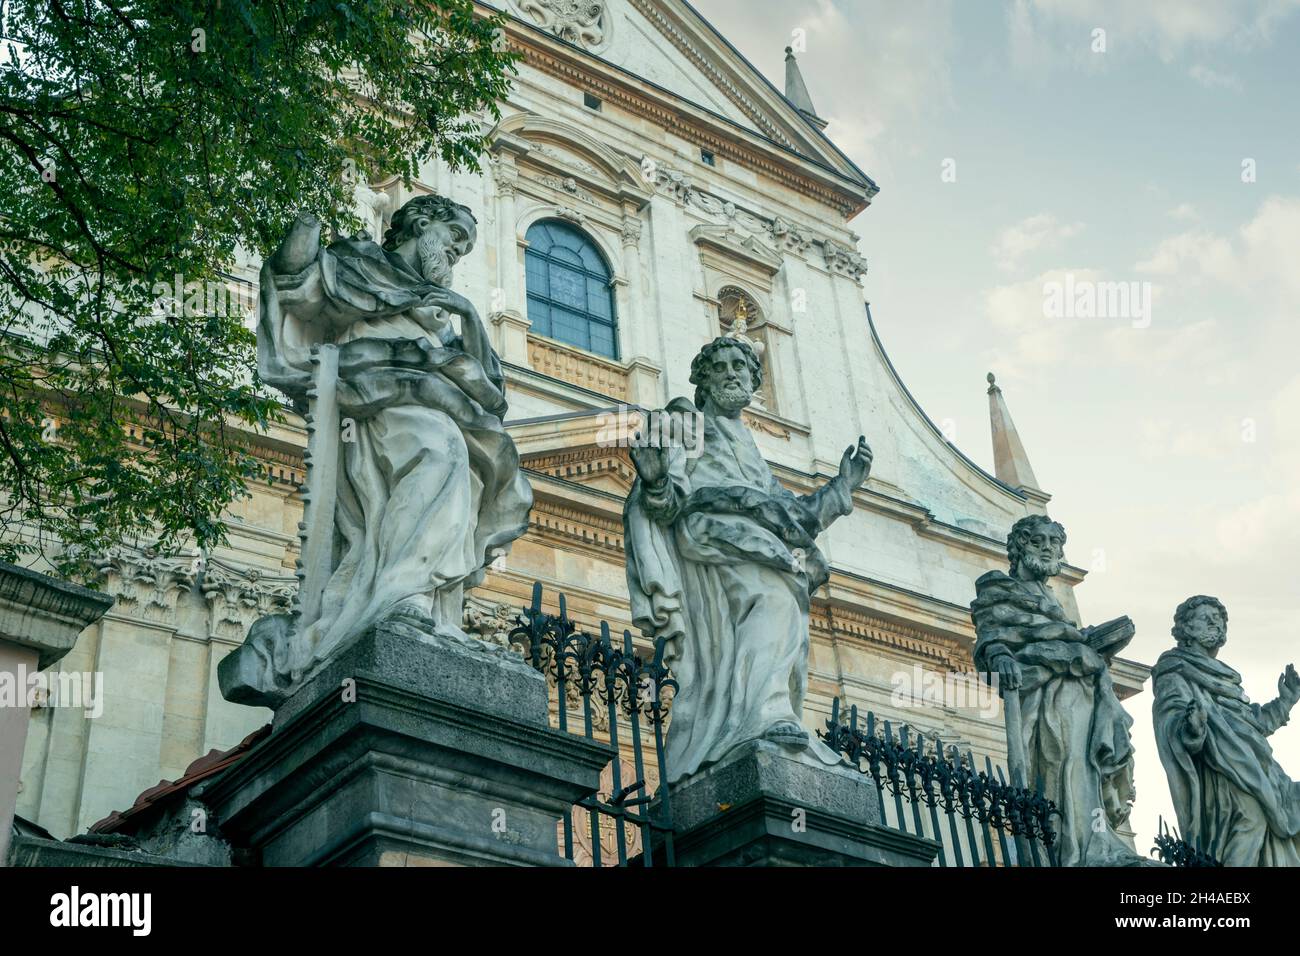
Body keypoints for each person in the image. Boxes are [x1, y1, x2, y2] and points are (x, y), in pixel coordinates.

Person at [624, 336, 871, 782]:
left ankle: (753, 720)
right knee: (775, 604)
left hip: (762, 545)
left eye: (741, 365)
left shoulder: (749, 448)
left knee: (786, 622)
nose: (732, 372)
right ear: (703, 381)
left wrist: (842, 488)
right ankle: (764, 714)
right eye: (719, 367)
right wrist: (657, 481)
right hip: (715, 538)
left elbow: (793, 514)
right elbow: (666, 501)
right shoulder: (687, 424)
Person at [1152, 595, 1300, 865]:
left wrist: (1285, 701)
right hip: (1220, 766)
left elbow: (1252, 725)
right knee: (1251, 817)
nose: (1215, 624)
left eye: (1219, 619)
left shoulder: (1226, 677)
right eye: (1206, 618)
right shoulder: (1175, 669)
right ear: (1186, 628)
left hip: (1258, 769)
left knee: (1287, 815)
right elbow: (1172, 717)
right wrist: (1192, 729)